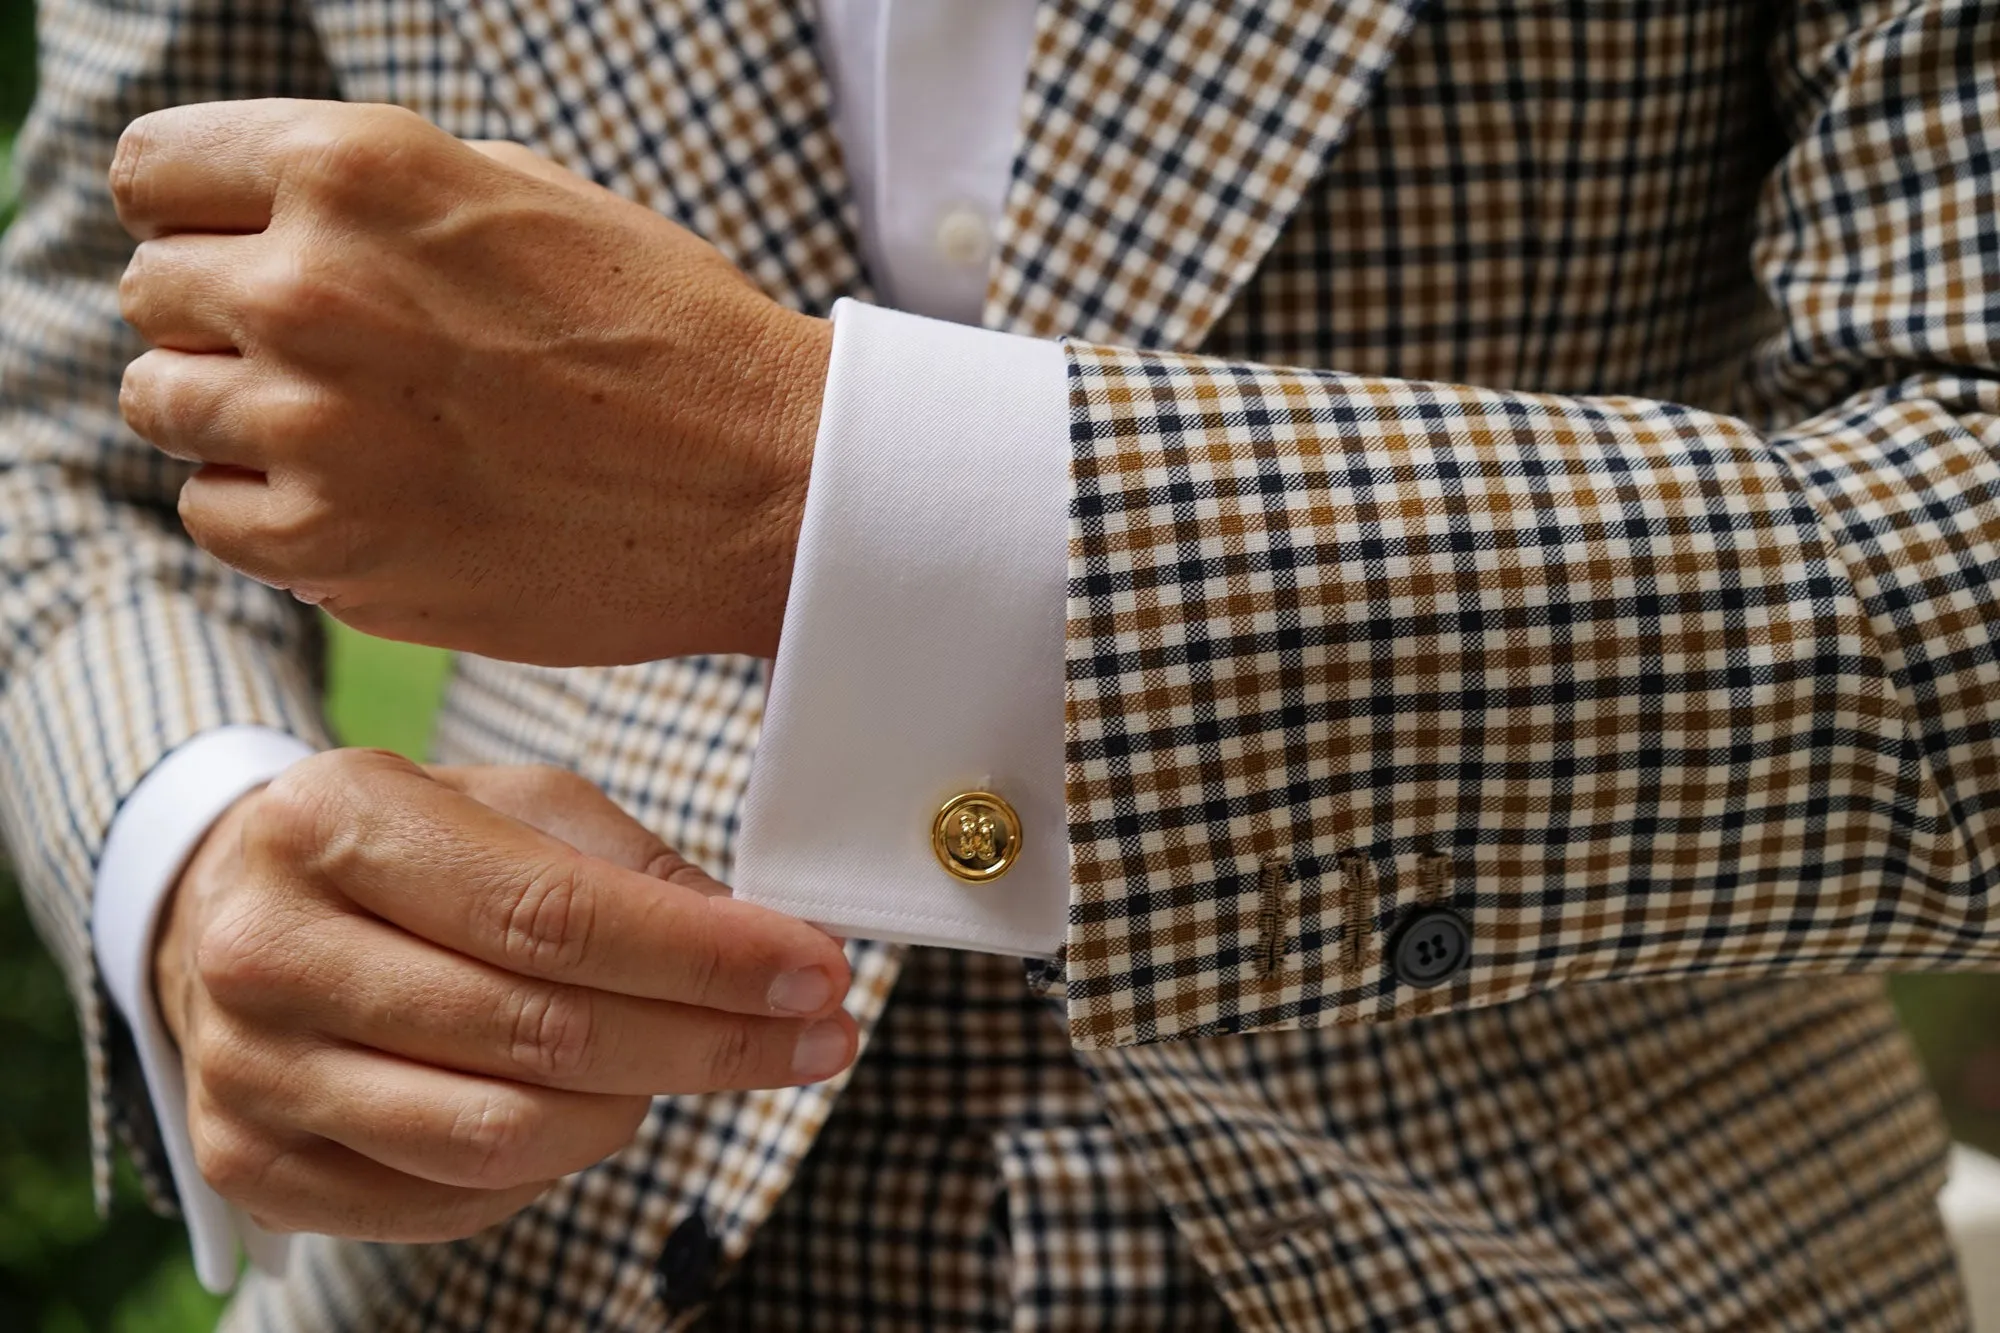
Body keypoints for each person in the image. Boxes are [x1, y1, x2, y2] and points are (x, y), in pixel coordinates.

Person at [2, 0, 1995, 1327]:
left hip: (1570, 1252)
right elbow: (75, 408)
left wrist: (809, 486)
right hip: (503, 1258)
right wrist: (191, 836)